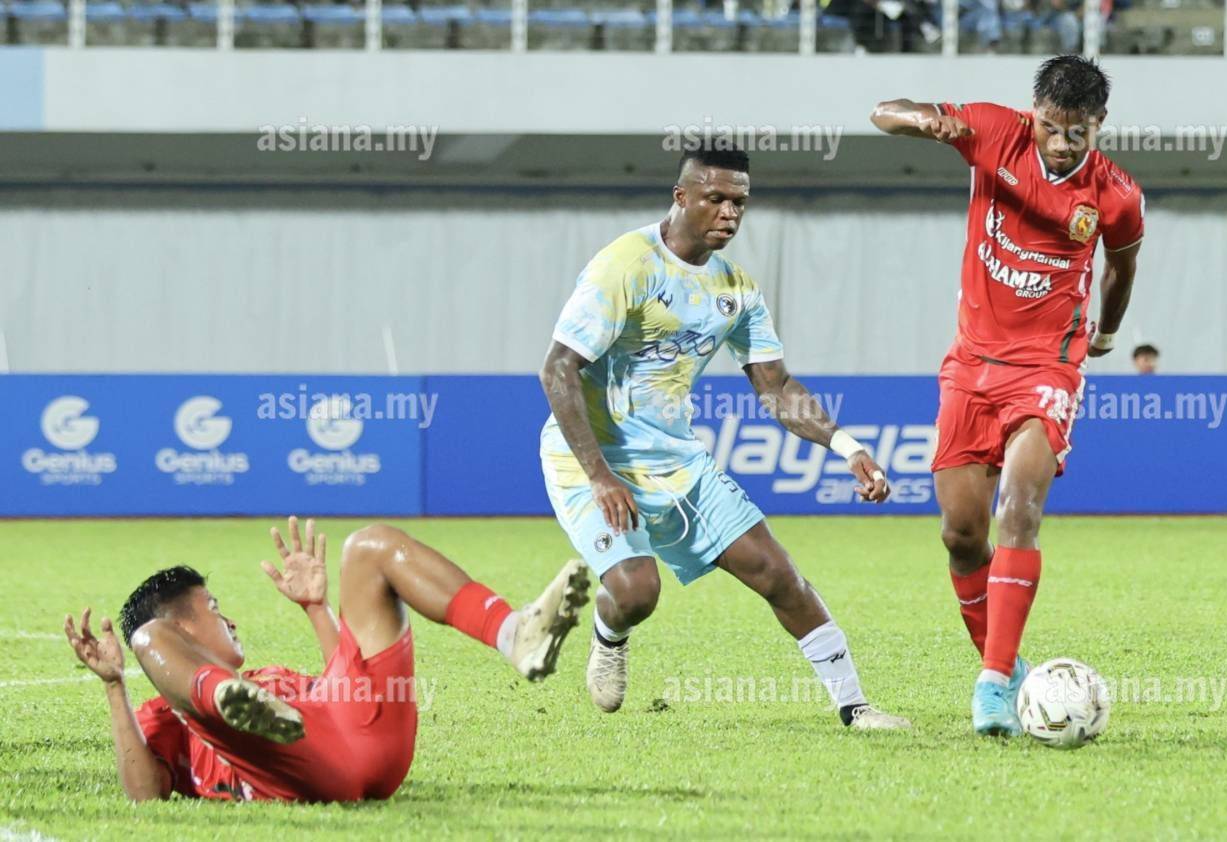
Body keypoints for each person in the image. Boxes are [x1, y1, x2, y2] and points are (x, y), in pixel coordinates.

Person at [537, 146, 910, 731]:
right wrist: (600, 475)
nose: (730, 213)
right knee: (636, 592)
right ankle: (609, 633)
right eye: (716, 199)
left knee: (776, 572)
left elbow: (776, 387)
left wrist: (848, 447)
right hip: (590, 459)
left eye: (739, 202)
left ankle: (854, 706)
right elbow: (558, 368)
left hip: (677, 460)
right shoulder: (625, 265)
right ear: (681, 196)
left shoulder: (736, 288)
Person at [870, 56, 1143, 737]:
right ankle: (1009, 666)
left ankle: (991, 687)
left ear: (1099, 124)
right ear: (1033, 112)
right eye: (1050, 126)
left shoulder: (1115, 195)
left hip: (1047, 367)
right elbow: (882, 111)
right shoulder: (994, 132)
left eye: (1076, 132)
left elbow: (1122, 266)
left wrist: (1107, 333)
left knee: (1018, 510)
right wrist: (922, 121)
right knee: (961, 534)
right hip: (970, 366)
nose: (1060, 143)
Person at [63, 516, 589, 802]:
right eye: (215, 609)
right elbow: (145, 794)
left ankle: (514, 634)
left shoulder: (269, 679)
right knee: (147, 638)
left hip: (357, 732)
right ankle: (221, 697)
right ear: (182, 630)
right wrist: (115, 687)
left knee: (370, 545)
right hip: (298, 767)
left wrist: (317, 608)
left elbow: (348, 685)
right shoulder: (162, 715)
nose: (231, 621)